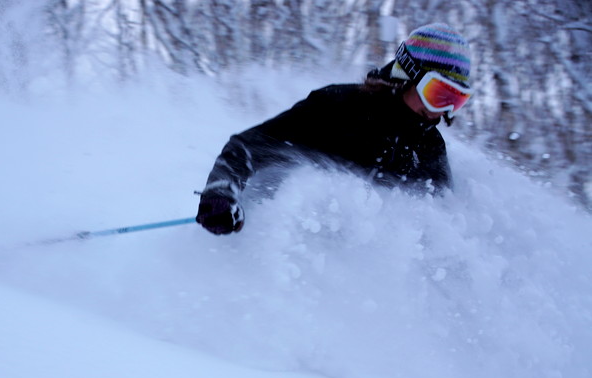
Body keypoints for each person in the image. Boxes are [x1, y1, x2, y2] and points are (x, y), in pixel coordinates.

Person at [196, 23, 473, 235]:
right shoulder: (339, 107)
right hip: (278, 244)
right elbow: (248, 147)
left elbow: (439, 220)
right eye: (438, 94)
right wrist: (220, 193)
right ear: (407, 74)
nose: (440, 110)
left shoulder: (429, 146)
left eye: (455, 101)